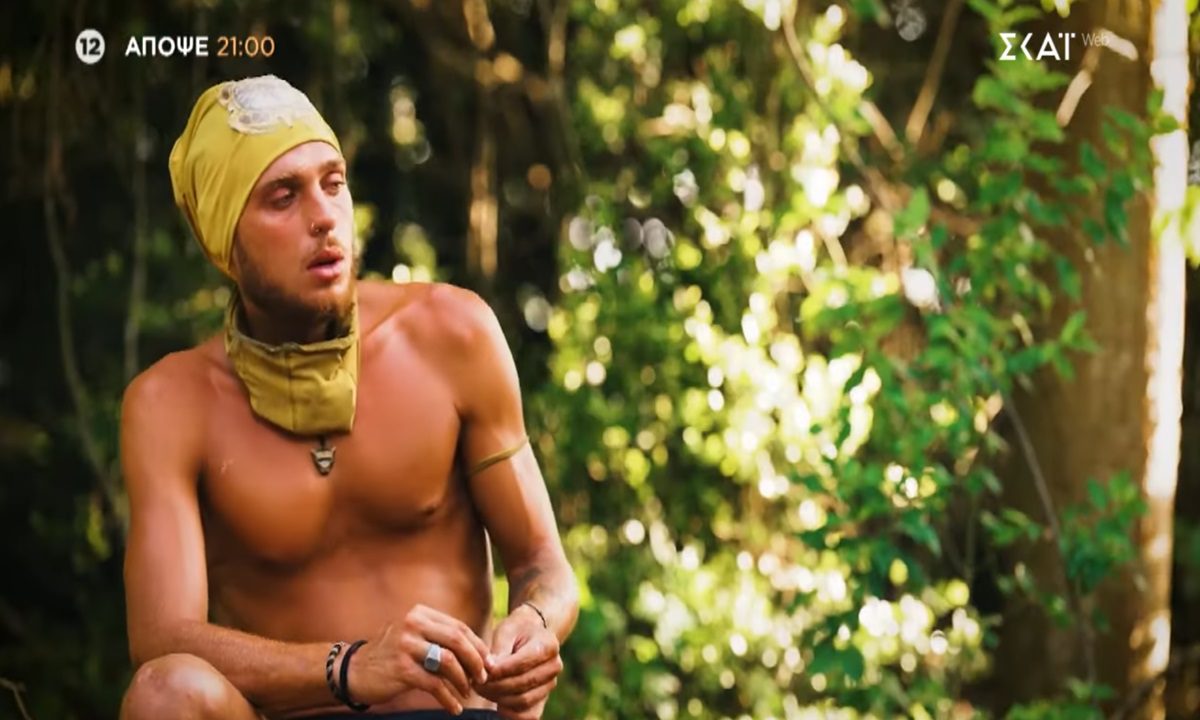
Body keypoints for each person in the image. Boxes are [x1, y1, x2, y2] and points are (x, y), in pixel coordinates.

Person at [117, 74, 578, 720]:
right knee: (165, 692)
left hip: (457, 714)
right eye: (283, 197)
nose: (323, 217)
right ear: (226, 238)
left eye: (333, 183)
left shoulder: (452, 333)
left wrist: (535, 622)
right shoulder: (171, 404)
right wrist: (350, 666)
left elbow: (543, 565)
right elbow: (162, 639)